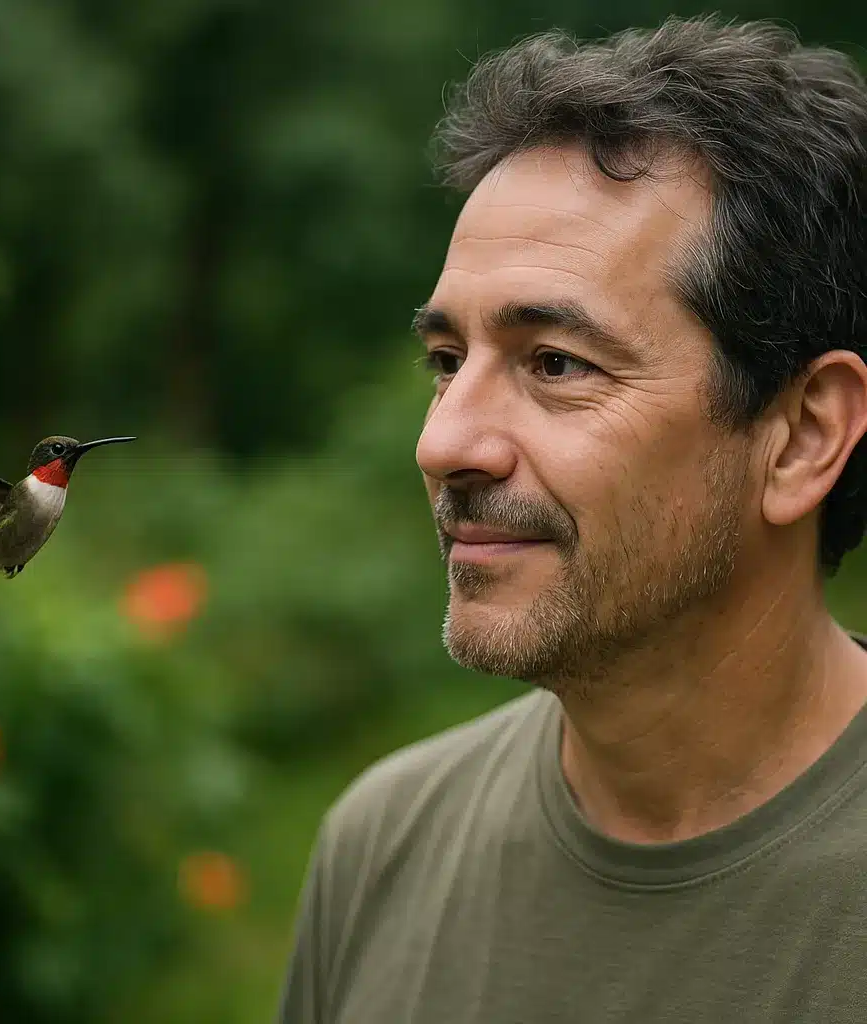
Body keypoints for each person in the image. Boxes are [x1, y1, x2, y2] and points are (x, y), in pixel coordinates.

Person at [276, 15, 867, 1023]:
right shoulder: (383, 845)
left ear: (802, 436)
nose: (443, 443)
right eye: (445, 362)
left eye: (556, 363)